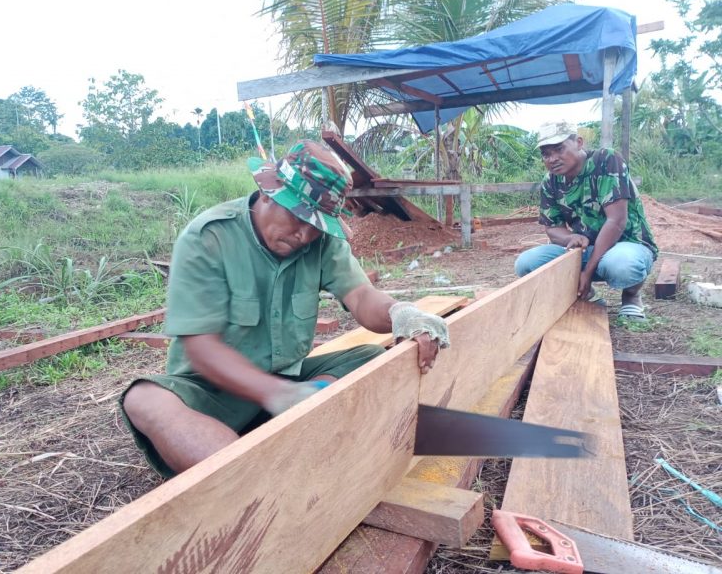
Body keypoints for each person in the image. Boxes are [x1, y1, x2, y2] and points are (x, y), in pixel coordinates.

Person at [121, 140, 450, 479]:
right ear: (268, 192)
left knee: (369, 357)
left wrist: (401, 313)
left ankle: (297, 424)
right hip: (213, 395)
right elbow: (201, 349)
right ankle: (247, 481)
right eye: (297, 216)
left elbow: (361, 296)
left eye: (316, 225)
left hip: (290, 381)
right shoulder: (209, 238)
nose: (305, 234)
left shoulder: (322, 241)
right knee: (144, 399)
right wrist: (276, 394)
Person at [514, 121, 658, 320]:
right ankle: (588, 296)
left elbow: (616, 221)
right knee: (527, 263)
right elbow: (552, 228)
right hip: (587, 249)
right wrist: (571, 238)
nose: (553, 159)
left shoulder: (606, 160)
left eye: (559, 149)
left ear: (579, 142)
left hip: (626, 244)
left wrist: (587, 272)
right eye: (546, 154)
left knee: (622, 265)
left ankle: (631, 296)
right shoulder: (550, 181)